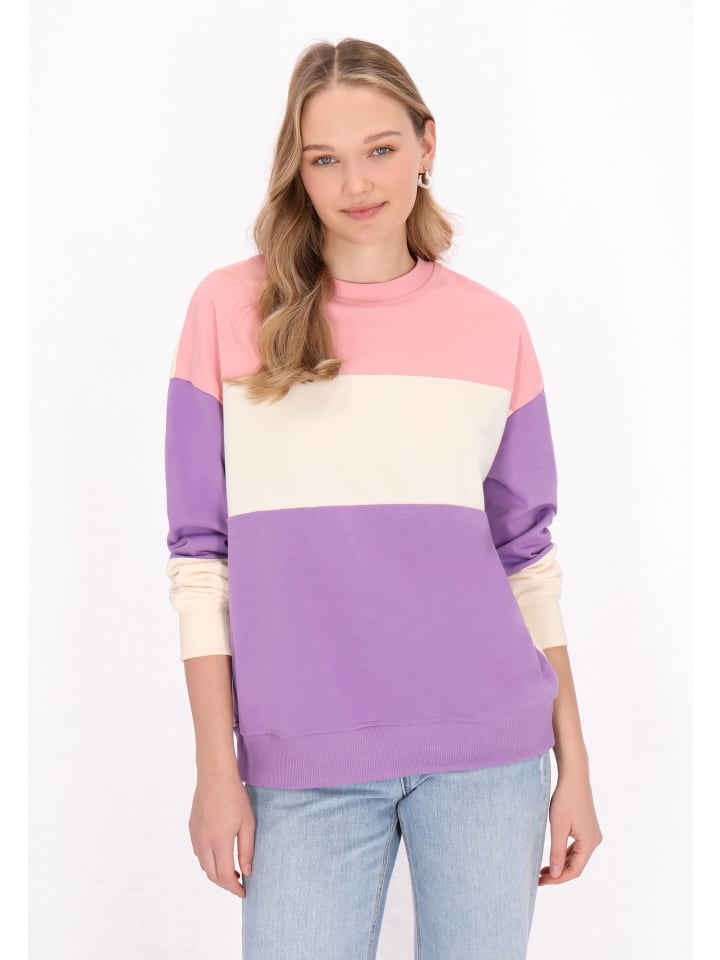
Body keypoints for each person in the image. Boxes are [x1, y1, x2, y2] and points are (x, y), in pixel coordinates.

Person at [164, 36, 602, 960]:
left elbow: (527, 558)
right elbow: (200, 558)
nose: (356, 183)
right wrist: (216, 769)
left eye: (382, 149)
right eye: (325, 158)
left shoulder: (494, 327)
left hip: (491, 754)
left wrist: (575, 766)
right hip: (300, 761)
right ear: (297, 168)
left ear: (427, 144)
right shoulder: (229, 311)